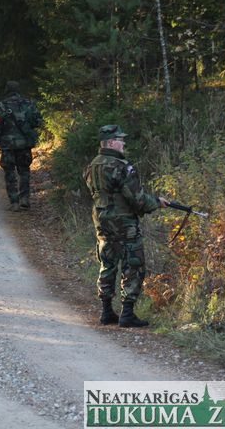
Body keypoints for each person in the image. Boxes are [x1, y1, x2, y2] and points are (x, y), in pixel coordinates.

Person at [83, 125, 169, 327]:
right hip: (124, 223)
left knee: (107, 263)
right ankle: (127, 313)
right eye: (121, 140)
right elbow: (138, 200)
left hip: (101, 221)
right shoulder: (122, 166)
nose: (123, 143)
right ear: (111, 143)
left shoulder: (91, 166)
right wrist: (157, 202)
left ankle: (106, 312)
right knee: (133, 264)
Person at [0, 80, 42, 211]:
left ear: (7, 90)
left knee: (10, 173)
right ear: (18, 90)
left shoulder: (0, 106)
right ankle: (24, 199)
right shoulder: (29, 104)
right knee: (24, 171)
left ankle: (14, 202)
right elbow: (38, 122)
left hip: (8, 146)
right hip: (24, 145)